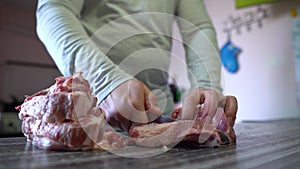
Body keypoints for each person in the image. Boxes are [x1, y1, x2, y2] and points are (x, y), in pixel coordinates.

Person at [36, 0, 237, 132]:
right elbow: (53, 10)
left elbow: (197, 29)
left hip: (160, 115)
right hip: (90, 114)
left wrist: (207, 86)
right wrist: (106, 81)